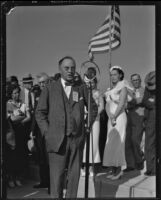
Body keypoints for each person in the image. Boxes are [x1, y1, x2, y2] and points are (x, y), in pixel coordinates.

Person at [35, 56, 98, 198]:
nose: (70, 71)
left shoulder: (81, 88)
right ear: (60, 69)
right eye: (67, 68)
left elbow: (93, 108)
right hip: (56, 141)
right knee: (56, 180)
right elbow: (40, 113)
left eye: (73, 68)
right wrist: (47, 132)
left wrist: (87, 125)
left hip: (76, 140)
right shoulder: (50, 89)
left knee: (74, 179)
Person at [103, 66, 134, 180]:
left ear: (120, 75)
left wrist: (114, 116)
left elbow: (121, 104)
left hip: (119, 117)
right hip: (110, 118)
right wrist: (110, 116)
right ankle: (114, 169)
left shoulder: (123, 87)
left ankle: (119, 171)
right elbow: (107, 105)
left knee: (119, 142)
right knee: (110, 142)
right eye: (111, 75)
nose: (113, 77)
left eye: (115, 74)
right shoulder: (109, 90)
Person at [6, 85, 31, 187]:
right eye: (14, 93)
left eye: (17, 93)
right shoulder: (8, 104)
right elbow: (11, 119)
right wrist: (23, 116)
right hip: (12, 133)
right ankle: (11, 178)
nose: (16, 95)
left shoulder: (23, 104)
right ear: (11, 94)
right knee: (12, 156)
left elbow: (29, 117)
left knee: (21, 155)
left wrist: (21, 118)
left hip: (22, 133)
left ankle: (18, 177)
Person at [81, 74, 104, 177]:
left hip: (95, 120)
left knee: (93, 143)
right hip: (84, 119)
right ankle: (84, 166)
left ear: (95, 83)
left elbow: (101, 107)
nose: (90, 84)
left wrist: (94, 115)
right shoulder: (83, 92)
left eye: (92, 82)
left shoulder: (99, 93)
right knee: (85, 143)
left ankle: (91, 167)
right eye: (88, 83)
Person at [31, 73, 50, 190]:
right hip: (38, 131)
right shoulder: (37, 95)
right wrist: (32, 131)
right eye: (40, 83)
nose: (42, 84)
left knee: (49, 158)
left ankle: (50, 184)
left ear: (48, 82)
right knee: (41, 157)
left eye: (44, 82)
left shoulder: (53, 94)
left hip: (48, 129)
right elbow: (35, 114)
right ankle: (43, 181)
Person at [124, 74, 145, 172]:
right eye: (133, 80)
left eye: (137, 80)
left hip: (139, 118)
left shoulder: (144, 90)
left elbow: (141, 100)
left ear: (140, 80)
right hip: (129, 118)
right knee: (127, 142)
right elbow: (126, 104)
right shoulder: (130, 91)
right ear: (131, 81)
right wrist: (132, 103)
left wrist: (131, 102)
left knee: (135, 140)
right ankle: (130, 165)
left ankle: (139, 160)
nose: (135, 81)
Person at [142, 71, 156, 176]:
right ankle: (151, 168)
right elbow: (144, 101)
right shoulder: (147, 89)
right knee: (149, 144)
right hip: (150, 118)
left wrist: (152, 102)